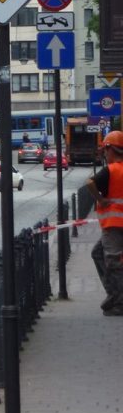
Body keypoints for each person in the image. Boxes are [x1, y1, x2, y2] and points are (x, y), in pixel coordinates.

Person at [86, 130, 123, 316]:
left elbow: (90, 183)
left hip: (113, 224)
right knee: (97, 253)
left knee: (113, 261)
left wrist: (100, 200)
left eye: (105, 151)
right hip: (116, 224)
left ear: (110, 149)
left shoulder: (111, 170)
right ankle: (113, 294)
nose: (105, 155)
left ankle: (118, 301)